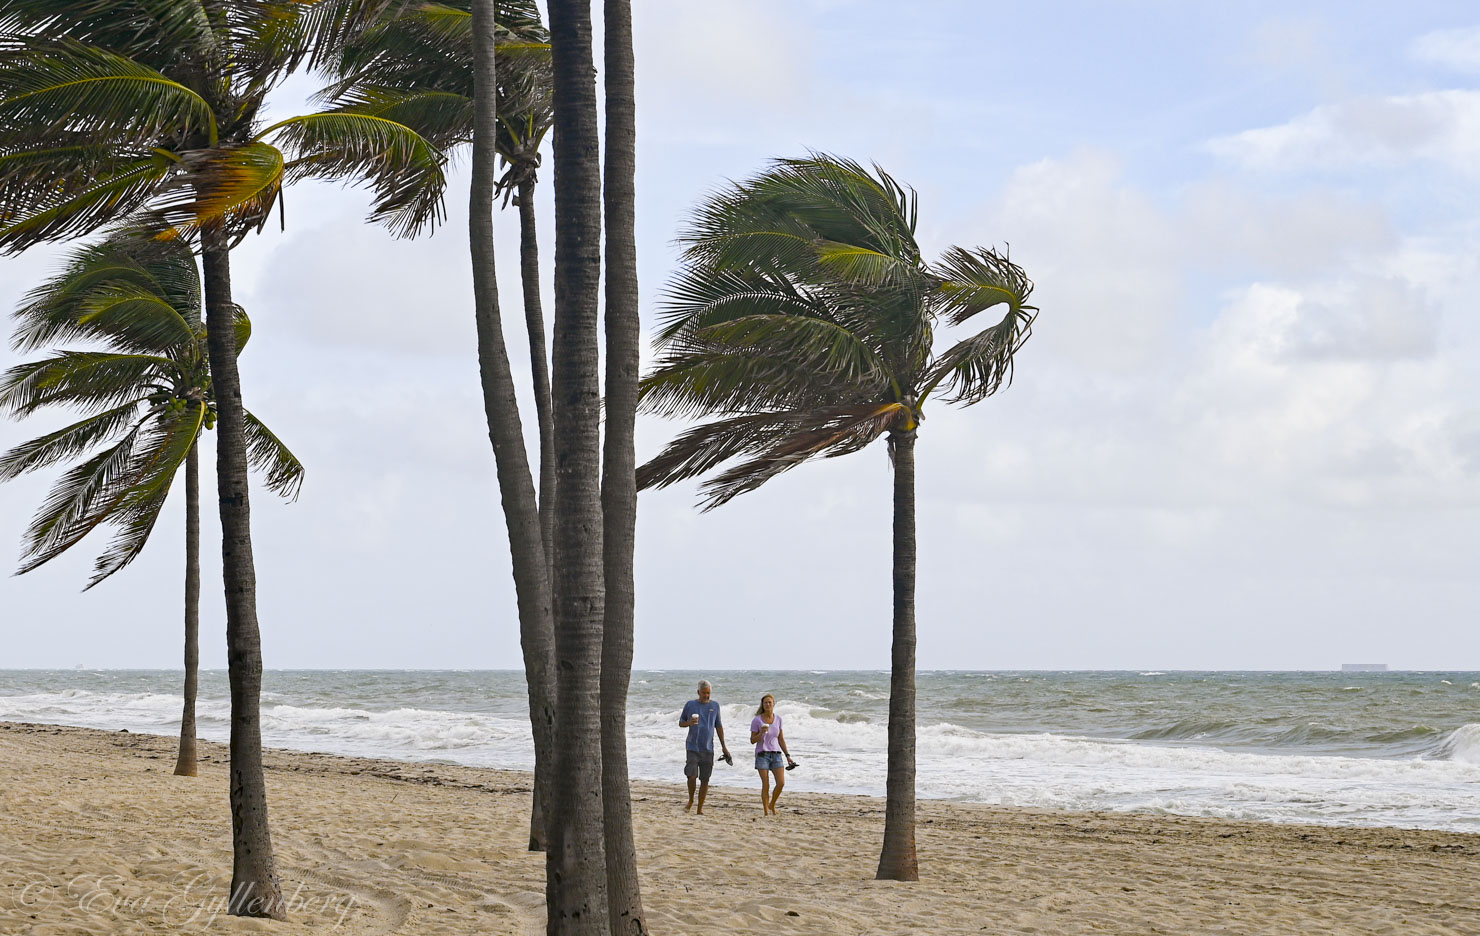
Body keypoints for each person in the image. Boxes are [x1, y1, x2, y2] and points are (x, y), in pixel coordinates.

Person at [679, 679, 729, 814]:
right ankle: (690, 800)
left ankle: (699, 808)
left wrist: (724, 746)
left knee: (705, 779)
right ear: (698, 692)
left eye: (708, 693)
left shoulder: (715, 706)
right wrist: (689, 722)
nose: (706, 696)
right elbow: (681, 723)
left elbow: (718, 726)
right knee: (692, 776)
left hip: (708, 748)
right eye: (704, 693)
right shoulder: (690, 705)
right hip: (692, 747)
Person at [749, 693, 795, 815]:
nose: (768, 704)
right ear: (762, 705)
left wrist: (788, 756)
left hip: (776, 754)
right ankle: (766, 811)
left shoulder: (778, 719)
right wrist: (761, 734)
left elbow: (781, 739)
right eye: (765, 703)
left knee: (781, 783)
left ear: (773, 704)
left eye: (770, 702)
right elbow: (752, 740)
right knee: (766, 784)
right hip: (762, 754)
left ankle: (772, 805)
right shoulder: (757, 720)